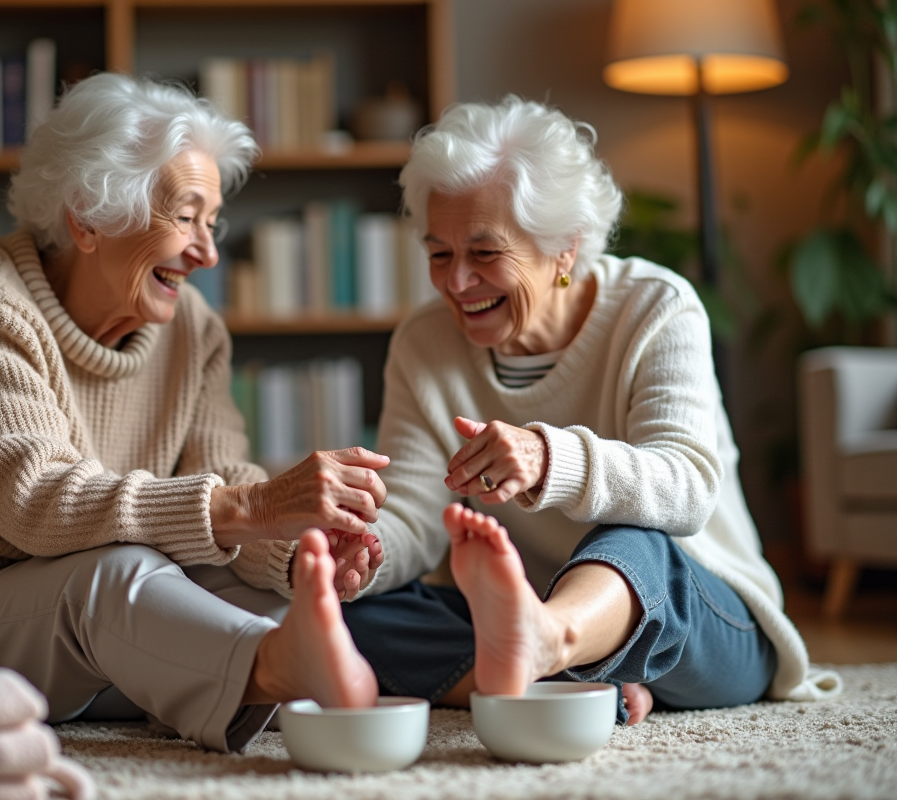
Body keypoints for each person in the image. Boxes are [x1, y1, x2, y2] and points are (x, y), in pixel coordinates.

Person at [0, 73, 386, 754]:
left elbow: (223, 475)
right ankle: (276, 670)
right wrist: (257, 504)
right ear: (89, 214)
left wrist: (299, 553)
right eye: (185, 217)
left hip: (75, 642)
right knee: (112, 577)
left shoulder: (194, 330)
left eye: (213, 222)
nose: (207, 254)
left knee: (249, 591)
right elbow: (38, 503)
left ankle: (270, 662)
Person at [334, 96, 837, 725]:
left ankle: (549, 647)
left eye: (486, 254)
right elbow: (414, 510)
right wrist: (365, 552)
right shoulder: (422, 342)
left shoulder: (655, 307)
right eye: (440, 254)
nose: (457, 283)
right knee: (353, 611)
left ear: (565, 249)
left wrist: (551, 459)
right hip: (531, 605)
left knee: (632, 539)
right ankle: (574, 677)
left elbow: (687, 489)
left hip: (696, 611)